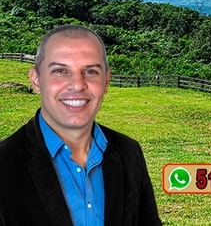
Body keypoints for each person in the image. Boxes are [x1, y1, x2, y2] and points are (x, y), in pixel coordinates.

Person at [0, 24, 162, 226]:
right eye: (60, 70)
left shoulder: (129, 152)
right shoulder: (4, 164)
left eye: (91, 71)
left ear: (106, 81)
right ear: (36, 79)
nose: (77, 85)